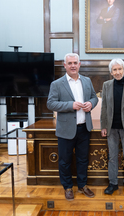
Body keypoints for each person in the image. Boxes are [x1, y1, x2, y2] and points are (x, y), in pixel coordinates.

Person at [47, 53, 98, 201]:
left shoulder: (87, 81)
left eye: (75, 62)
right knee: (65, 161)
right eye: (69, 63)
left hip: (84, 128)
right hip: (66, 130)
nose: (73, 66)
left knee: (83, 160)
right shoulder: (56, 84)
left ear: (80, 64)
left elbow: (94, 97)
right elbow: (50, 104)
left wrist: (91, 104)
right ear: (65, 65)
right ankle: (68, 187)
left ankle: (82, 185)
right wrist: (71, 105)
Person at [100, 58, 124, 196]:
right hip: (111, 127)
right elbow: (104, 107)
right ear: (111, 72)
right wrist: (104, 126)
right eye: (114, 70)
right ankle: (113, 183)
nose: (117, 72)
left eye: (120, 69)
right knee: (112, 156)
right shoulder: (106, 85)